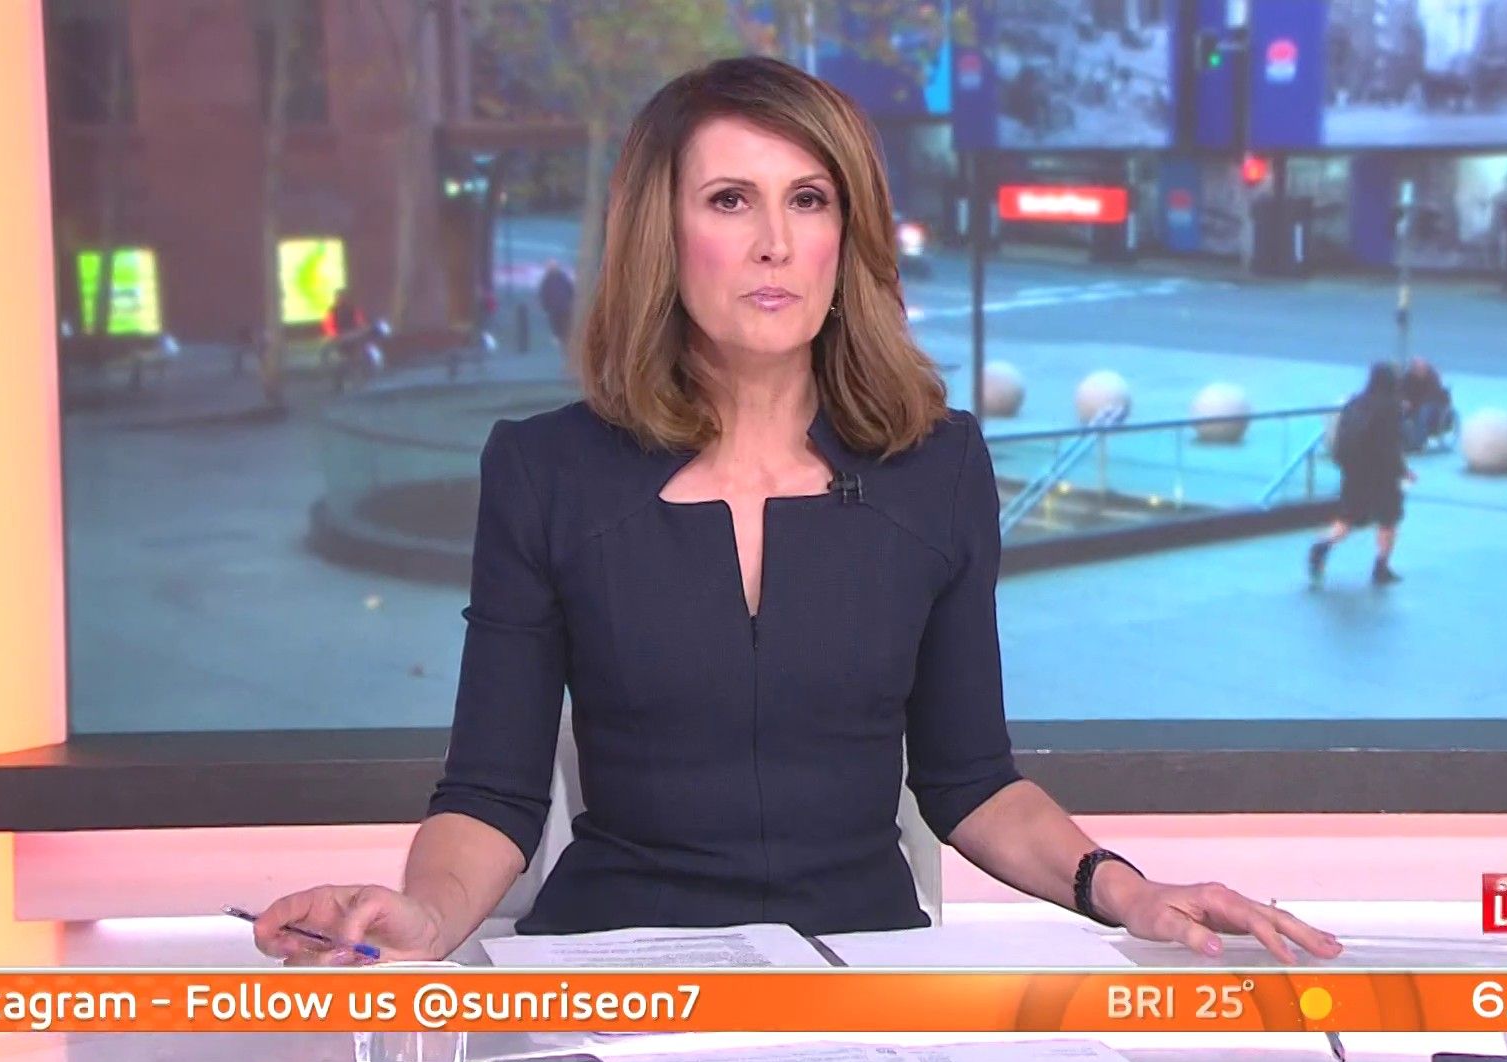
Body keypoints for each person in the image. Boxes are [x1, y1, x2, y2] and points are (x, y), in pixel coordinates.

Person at [254, 56, 1340, 967]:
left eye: (808, 199)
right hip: (622, 967)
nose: (774, 241)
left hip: (860, 970)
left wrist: (1128, 891)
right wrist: (423, 919)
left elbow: (970, 781)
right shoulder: (546, 472)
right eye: (730, 200)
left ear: (844, 235)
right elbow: (492, 795)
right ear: (663, 233)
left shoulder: (938, 467)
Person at [1311, 363, 1416, 587]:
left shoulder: (1355, 402)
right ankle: (1381, 566)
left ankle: (1323, 544)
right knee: (1388, 519)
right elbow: (1391, 446)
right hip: (1382, 475)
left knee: (1347, 518)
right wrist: (1403, 471)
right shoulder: (1390, 407)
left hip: (1354, 471)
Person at [1399, 356, 1451, 451]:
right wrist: (1404, 400)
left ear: (1425, 368)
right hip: (1415, 403)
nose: (1418, 371)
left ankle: (1419, 443)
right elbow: (1402, 390)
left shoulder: (1432, 378)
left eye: (1420, 368)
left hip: (1435, 406)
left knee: (1424, 411)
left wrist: (1412, 403)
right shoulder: (1408, 377)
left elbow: (1431, 396)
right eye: (1415, 368)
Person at [537, 259, 576, 349]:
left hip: (562, 305)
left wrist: (570, 300)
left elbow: (570, 289)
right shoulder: (548, 279)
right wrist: (545, 304)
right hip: (555, 306)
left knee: (563, 322)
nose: (552, 268)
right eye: (550, 266)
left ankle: (564, 337)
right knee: (556, 322)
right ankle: (560, 337)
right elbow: (543, 293)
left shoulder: (562, 277)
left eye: (553, 266)